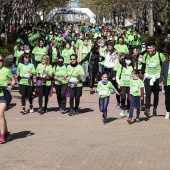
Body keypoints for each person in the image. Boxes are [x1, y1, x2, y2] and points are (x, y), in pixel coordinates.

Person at [141, 42, 165, 117]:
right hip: (148, 77)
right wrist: (142, 74)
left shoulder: (159, 55)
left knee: (156, 94)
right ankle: (147, 109)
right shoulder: (145, 56)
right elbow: (143, 66)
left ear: (154, 48)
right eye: (148, 48)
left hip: (157, 77)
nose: (149, 50)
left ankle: (155, 109)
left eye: (150, 48)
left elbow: (164, 65)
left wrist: (163, 77)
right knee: (147, 93)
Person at [0, 54, 15, 143]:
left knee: (0, 114)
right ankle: (6, 132)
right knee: (2, 116)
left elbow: (13, 79)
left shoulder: (6, 71)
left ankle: (2, 136)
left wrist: (11, 86)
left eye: (1, 60)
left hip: (3, 94)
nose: (0, 62)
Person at [159, 53, 170, 119]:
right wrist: (160, 81)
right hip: (167, 83)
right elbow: (162, 73)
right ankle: (168, 111)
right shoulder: (165, 63)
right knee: (167, 99)